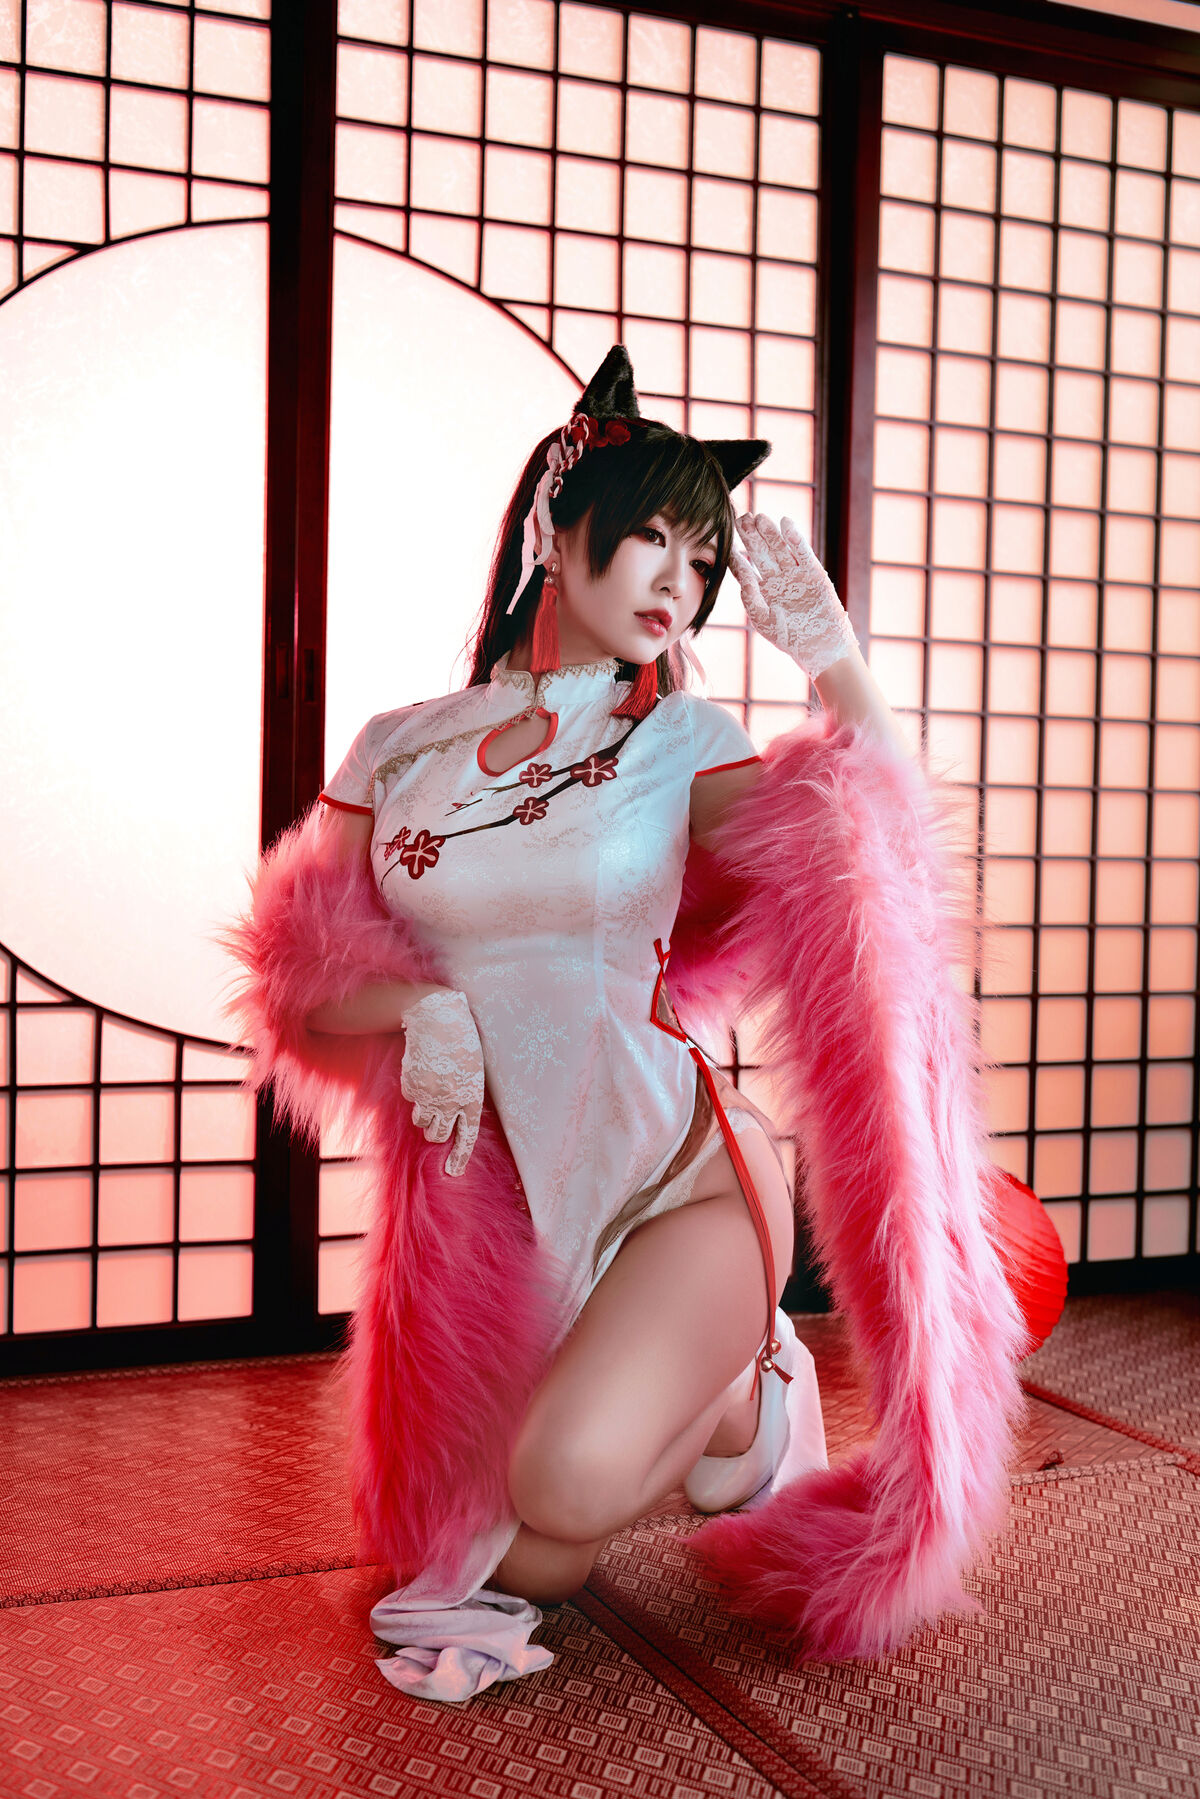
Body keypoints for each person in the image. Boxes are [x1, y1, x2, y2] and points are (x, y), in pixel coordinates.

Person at [222, 346, 1029, 1704]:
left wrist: (833, 662)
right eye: (654, 536)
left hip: (681, 1179)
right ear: (554, 528)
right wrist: (417, 1007)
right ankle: (717, 1406)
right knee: (522, 1559)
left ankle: (751, 1378)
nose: (681, 582)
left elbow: (875, 847)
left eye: (702, 559)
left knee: (562, 1486)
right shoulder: (398, 746)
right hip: (509, 1216)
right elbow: (298, 964)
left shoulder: (684, 741)